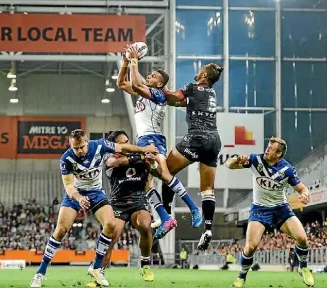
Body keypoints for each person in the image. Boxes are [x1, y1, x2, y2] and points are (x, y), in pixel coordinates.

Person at [30, 129, 157, 288]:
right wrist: (79, 198)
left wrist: (144, 150)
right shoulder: (66, 159)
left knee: (110, 224)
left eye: (81, 147)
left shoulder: (100, 146)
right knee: (61, 230)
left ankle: (96, 268)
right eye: (75, 148)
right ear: (70, 145)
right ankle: (40, 274)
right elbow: (69, 186)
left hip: (96, 193)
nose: (79, 151)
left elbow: (123, 148)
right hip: (76, 195)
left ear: (87, 142)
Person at [117, 46, 203, 239]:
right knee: (146, 183)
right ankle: (165, 218)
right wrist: (124, 62)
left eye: (154, 75)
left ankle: (194, 209)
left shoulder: (159, 95)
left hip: (153, 140)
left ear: (160, 83)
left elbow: (138, 84)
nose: (150, 75)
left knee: (164, 175)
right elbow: (122, 83)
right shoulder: (145, 92)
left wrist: (134, 60)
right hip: (142, 142)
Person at [225, 137, 315, 287]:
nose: (267, 149)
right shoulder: (255, 159)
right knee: (250, 247)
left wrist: (305, 194)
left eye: (271, 148)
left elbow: (303, 188)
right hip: (259, 209)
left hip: (281, 210)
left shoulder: (287, 170)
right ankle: (241, 277)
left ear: (279, 154)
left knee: (302, 239)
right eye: (268, 146)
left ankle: (303, 268)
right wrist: (236, 160)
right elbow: (229, 166)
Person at [159, 63, 224, 250]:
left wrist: (159, 87)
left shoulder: (193, 88)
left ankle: (167, 217)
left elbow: (173, 96)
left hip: (197, 137)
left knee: (166, 171)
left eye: (200, 69)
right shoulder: (210, 93)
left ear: (204, 74)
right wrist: (166, 99)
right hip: (214, 140)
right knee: (207, 190)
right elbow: (176, 101)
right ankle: (208, 229)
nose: (196, 72)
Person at [100, 130, 157, 282]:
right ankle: (98, 273)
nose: (126, 144)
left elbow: (154, 170)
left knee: (145, 225)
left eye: (127, 141)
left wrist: (152, 162)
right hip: (118, 203)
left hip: (138, 200)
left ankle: (145, 264)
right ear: (115, 145)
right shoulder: (108, 156)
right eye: (122, 142)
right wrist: (143, 155)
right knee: (110, 239)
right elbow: (115, 163)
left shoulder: (139, 156)